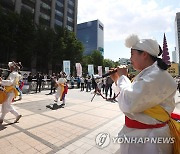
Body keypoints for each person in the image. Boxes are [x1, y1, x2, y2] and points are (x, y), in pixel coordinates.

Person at [110, 34, 179, 154]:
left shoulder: (156, 75)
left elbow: (129, 103)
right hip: (142, 135)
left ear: (144, 54)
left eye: (132, 54)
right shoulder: (149, 74)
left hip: (150, 139)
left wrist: (122, 77)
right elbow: (126, 95)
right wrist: (117, 80)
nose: (130, 59)